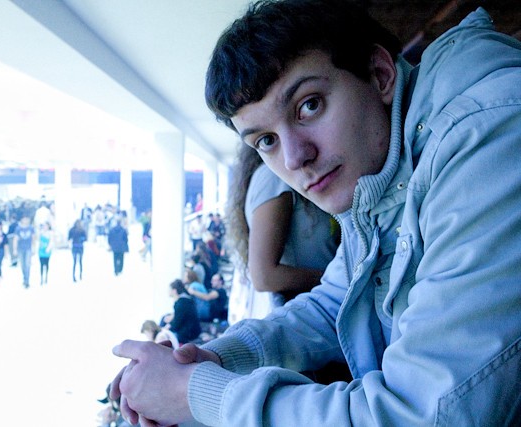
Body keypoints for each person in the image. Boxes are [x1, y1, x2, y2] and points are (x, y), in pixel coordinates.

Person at [110, 1, 521, 425]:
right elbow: (333, 303)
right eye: (266, 140)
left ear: (379, 74)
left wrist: (196, 393)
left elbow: (422, 414)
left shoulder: (488, 140)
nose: (295, 158)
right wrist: (211, 358)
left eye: (309, 106)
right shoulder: (378, 177)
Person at [227, 142, 338, 322]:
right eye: (268, 139)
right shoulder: (273, 177)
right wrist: (340, 279)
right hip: (313, 314)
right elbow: (264, 276)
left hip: (322, 307)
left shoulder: (281, 177)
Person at [160, 279, 201, 345]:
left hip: (188, 333)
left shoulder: (181, 303)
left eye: (169, 289)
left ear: (174, 291)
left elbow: (177, 324)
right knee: (164, 318)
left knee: (164, 328)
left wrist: (166, 328)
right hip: (193, 330)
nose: (168, 291)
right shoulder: (186, 300)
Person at [12, 214, 35, 288]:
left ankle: (27, 281)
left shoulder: (31, 228)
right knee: (22, 265)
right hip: (20, 249)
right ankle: (24, 278)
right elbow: (15, 239)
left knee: (27, 264)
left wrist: (33, 247)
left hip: (28, 249)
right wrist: (14, 249)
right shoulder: (18, 229)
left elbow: (33, 238)